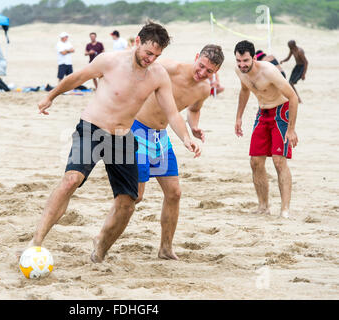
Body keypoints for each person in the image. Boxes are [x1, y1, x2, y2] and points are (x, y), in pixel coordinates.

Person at [27, 22, 201, 263]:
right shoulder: (109, 61)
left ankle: (100, 248)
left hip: (122, 137)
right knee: (71, 180)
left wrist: (187, 138)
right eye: (148, 53)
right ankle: (36, 242)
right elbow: (76, 77)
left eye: (157, 55)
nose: (151, 59)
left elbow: (172, 113)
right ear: (137, 42)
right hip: (93, 130)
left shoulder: (158, 75)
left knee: (129, 202)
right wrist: (50, 97)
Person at [133, 44, 224, 260]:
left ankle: (165, 248)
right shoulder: (167, 67)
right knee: (134, 196)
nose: (202, 73)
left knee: (174, 193)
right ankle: (103, 238)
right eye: (200, 66)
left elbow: (193, 109)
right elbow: (134, 72)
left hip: (159, 137)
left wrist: (193, 128)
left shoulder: (203, 89)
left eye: (209, 71)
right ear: (196, 57)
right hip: (136, 130)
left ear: (215, 73)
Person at [234, 40, 299, 219]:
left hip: (281, 112)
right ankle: (263, 206)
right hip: (263, 112)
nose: (242, 65)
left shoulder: (269, 72)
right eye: (239, 61)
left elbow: (292, 97)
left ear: (254, 58)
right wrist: (239, 117)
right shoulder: (239, 71)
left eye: (246, 61)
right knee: (255, 161)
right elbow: (244, 91)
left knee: (279, 161)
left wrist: (291, 129)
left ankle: (285, 210)